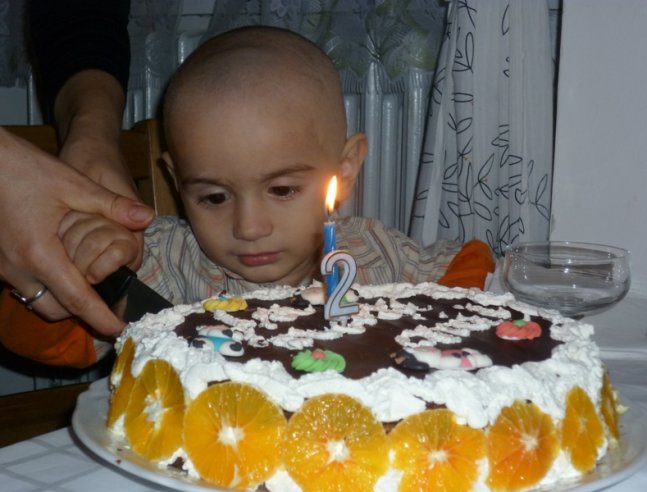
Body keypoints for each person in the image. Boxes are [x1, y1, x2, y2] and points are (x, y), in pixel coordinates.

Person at [0, 26, 495, 367]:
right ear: (176, 179)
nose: (249, 227)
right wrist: (76, 263)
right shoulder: (155, 261)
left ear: (345, 169)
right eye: (215, 197)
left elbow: (469, 273)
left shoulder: (372, 252)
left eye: (282, 189)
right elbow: (54, 343)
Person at [0, 0, 152, 337]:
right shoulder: (168, 253)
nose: (249, 225)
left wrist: (93, 135)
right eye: (215, 197)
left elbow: (79, 15)